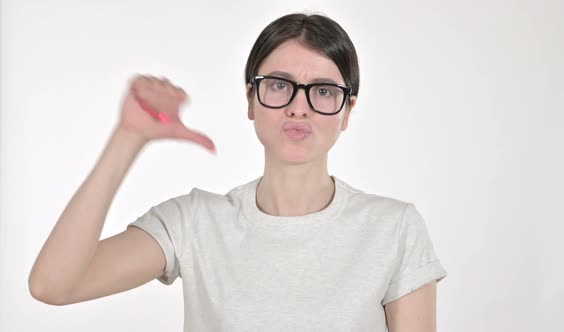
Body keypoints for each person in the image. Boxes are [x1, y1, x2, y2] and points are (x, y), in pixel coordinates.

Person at [28, 12, 447, 332]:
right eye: (279, 85)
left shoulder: (394, 228)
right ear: (251, 99)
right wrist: (128, 137)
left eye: (323, 90)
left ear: (347, 111)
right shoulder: (194, 223)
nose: (298, 106)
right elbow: (53, 285)